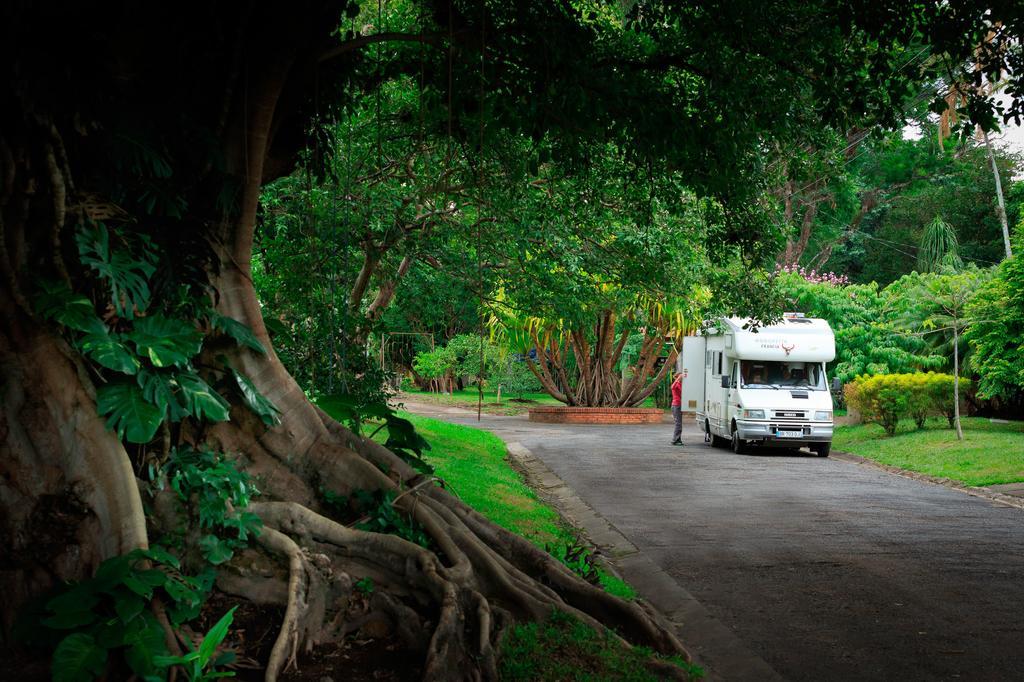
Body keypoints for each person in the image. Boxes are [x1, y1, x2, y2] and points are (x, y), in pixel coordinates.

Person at [670, 372, 684, 445]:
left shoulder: (681, 384)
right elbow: (672, 387)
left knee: (679, 424)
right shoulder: (676, 384)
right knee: (678, 424)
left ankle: (678, 439)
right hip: (676, 405)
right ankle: (674, 440)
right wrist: (678, 379)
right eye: (681, 376)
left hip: (679, 405)